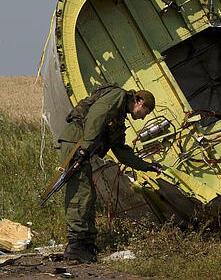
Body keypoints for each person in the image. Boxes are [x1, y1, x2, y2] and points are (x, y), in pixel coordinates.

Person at [57, 83, 163, 263]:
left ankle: (86, 242)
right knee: (81, 193)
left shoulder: (120, 118)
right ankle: (76, 245)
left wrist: (146, 166)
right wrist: (85, 147)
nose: (144, 117)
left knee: (87, 194)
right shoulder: (118, 96)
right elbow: (96, 116)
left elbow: (121, 151)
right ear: (139, 101)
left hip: (81, 145)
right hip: (76, 142)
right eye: (146, 111)